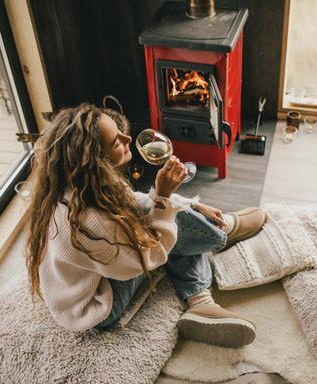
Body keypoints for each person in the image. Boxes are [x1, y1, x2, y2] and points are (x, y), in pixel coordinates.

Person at [23, 103, 266, 348]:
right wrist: (164, 198)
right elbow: (148, 256)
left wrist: (192, 204)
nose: (127, 137)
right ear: (95, 160)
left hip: (85, 282)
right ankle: (219, 239)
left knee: (159, 211)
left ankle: (202, 294)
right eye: (116, 141)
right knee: (168, 224)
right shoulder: (89, 219)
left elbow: (134, 201)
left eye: (118, 130)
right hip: (95, 307)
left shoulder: (78, 185)